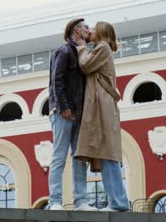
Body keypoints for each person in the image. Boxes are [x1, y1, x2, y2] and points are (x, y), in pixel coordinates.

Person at [72, 21, 130, 212]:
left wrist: (81, 47)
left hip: (103, 107)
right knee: (106, 154)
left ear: (102, 33)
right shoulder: (99, 49)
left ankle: (119, 203)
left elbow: (86, 66)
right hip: (101, 107)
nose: (92, 32)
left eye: (95, 29)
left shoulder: (102, 48)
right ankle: (117, 202)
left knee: (109, 154)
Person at [47, 18, 97, 211]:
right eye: (86, 27)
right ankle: (55, 201)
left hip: (78, 113)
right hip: (63, 112)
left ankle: (80, 201)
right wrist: (63, 106)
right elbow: (56, 80)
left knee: (79, 157)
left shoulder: (80, 52)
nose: (89, 30)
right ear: (76, 31)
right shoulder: (64, 51)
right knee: (59, 156)